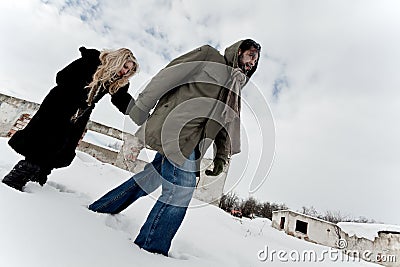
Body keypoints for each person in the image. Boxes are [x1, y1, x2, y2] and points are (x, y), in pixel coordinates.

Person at [89, 39, 261, 256]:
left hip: (194, 144)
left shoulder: (235, 86)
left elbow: (226, 122)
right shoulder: (208, 56)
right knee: (181, 190)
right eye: (250, 54)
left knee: (148, 179)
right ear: (238, 51)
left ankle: (102, 207)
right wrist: (142, 106)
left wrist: (221, 157)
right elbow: (168, 75)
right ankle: (150, 250)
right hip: (175, 130)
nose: (252, 61)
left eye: (256, 59)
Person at [2, 46, 139, 191]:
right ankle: (13, 184)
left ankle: (37, 182)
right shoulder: (91, 61)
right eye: (125, 67)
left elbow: (121, 99)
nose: (125, 72)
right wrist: (78, 96)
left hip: (79, 115)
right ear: (118, 60)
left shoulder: (115, 81)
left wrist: (139, 112)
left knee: (61, 148)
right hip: (59, 104)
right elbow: (62, 77)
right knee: (43, 143)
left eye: (129, 71)